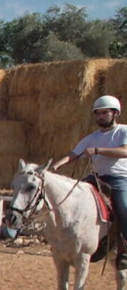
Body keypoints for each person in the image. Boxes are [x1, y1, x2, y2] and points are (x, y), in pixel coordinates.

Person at [52, 95, 127, 265]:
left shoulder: (124, 131)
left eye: (104, 113)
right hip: (97, 178)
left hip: (119, 178)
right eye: (98, 113)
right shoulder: (91, 137)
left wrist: (98, 150)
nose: (101, 116)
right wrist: (56, 167)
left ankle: (124, 249)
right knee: (73, 195)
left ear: (115, 113)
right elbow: (73, 154)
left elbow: (125, 151)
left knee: (124, 208)